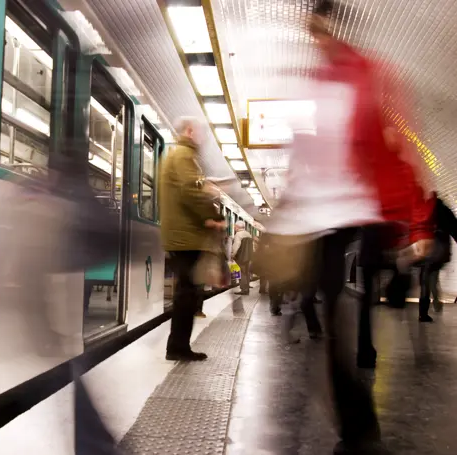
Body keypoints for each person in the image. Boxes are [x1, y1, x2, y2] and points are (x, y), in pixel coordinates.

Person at [265, 1, 434, 453]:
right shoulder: (314, 84)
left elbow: (403, 153)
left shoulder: (374, 75)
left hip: (361, 213)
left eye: (321, 28)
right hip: (318, 220)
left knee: (345, 319)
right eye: (312, 32)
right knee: (332, 313)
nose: (317, 39)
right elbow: (302, 158)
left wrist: (417, 227)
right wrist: (284, 213)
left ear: (335, 26)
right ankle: (358, 428)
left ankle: (360, 431)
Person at [159, 117, 225, 362]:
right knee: (187, 294)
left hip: (181, 235)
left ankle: (178, 345)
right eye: (201, 133)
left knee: (187, 292)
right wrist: (212, 216)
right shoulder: (184, 155)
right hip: (186, 236)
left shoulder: (179, 156)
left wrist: (207, 187)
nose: (203, 138)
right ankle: (177, 347)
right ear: (189, 131)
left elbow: (192, 186)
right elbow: (191, 190)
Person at [230, 221, 252, 295]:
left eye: (235, 226)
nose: (234, 228)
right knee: (247, 273)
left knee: (241, 273)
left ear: (238, 227)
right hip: (249, 257)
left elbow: (236, 245)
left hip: (241, 257)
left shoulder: (238, 234)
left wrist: (233, 254)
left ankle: (244, 290)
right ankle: (247, 288)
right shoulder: (249, 234)